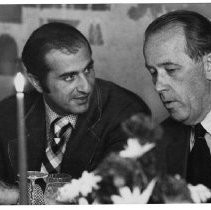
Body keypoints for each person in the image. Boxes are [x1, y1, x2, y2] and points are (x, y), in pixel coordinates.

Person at [0, 22, 150, 204]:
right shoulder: (7, 115)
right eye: (69, 77)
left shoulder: (128, 113)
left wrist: (18, 195)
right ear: (37, 82)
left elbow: (109, 196)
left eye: (88, 69)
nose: (86, 87)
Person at [143, 10, 211, 190]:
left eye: (171, 70)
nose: (158, 86)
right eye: (153, 72)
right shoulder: (156, 142)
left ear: (209, 65)